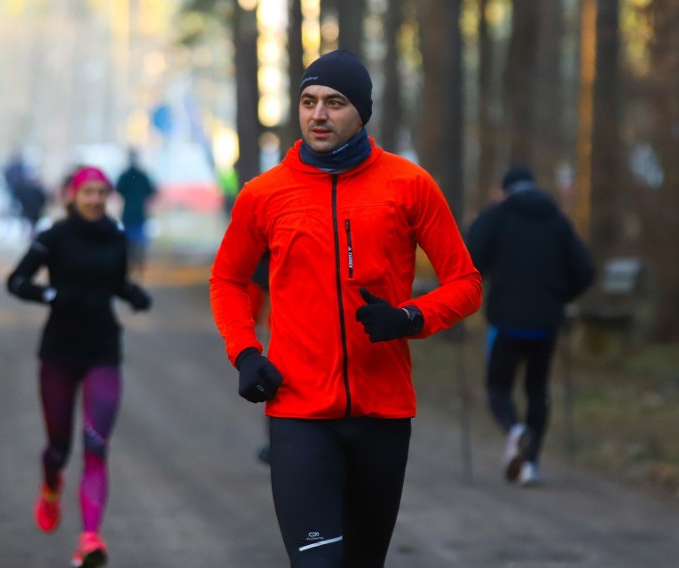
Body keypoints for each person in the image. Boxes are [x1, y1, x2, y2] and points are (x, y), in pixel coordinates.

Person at [209, 49, 482, 568]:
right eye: (309, 101)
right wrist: (244, 353)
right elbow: (227, 278)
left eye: (334, 103)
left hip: (383, 414)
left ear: (362, 112)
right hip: (299, 415)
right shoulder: (264, 195)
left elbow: (466, 283)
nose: (318, 114)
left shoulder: (409, 186)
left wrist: (410, 318)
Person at [6, 166, 152, 568]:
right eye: (88, 192)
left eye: (102, 193)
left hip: (103, 349)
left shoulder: (117, 237)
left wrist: (134, 294)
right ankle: (51, 485)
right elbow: (16, 282)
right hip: (58, 353)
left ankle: (90, 538)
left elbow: (116, 283)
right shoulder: (53, 238)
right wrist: (50, 293)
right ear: (72, 195)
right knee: (58, 448)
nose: (95, 199)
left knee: (96, 444)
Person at [466, 166, 594, 486]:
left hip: (506, 322)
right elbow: (585, 270)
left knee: (498, 389)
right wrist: (559, 296)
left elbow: (469, 257)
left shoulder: (496, 216)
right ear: (535, 187)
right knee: (537, 391)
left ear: (506, 189)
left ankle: (514, 430)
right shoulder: (557, 220)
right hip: (545, 323)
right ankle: (530, 464)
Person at [115, 149, 156, 275]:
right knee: (139, 240)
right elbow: (152, 190)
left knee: (128, 240)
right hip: (139, 213)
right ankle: (139, 263)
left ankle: (130, 263)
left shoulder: (125, 175)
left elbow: (118, 189)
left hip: (128, 213)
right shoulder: (142, 175)